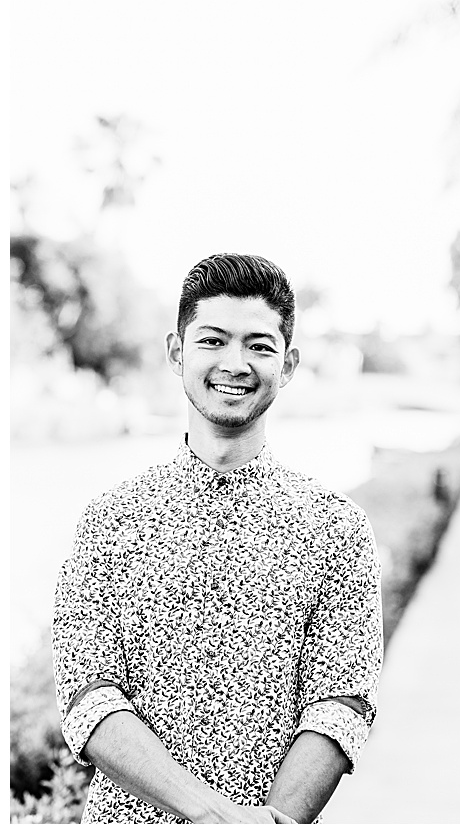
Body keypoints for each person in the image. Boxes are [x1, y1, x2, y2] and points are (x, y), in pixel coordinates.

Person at [52, 253, 384, 823]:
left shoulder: (337, 527)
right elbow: (88, 698)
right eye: (212, 340)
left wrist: (268, 825)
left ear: (288, 365)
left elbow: (342, 704)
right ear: (176, 352)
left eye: (259, 344)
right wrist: (211, 815)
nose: (236, 362)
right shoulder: (110, 519)